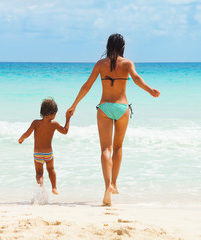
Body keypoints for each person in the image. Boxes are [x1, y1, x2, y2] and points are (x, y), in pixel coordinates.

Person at [67, 33, 160, 206]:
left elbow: (87, 85)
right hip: (122, 107)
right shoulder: (127, 63)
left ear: (108, 46)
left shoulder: (100, 64)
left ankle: (107, 185)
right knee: (118, 147)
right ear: (123, 46)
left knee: (105, 149)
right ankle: (115, 184)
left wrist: (74, 105)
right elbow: (137, 79)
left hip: (104, 108)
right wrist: (149, 90)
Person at [18, 97, 72, 195]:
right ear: (53, 114)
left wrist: (21, 138)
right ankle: (54, 188)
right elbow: (65, 131)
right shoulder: (54, 124)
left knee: (39, 173)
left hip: (37, 153)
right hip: (48, 153)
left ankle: (41, 187)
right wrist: (68, 119)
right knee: (51, 170)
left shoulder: (36, 123)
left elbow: (27, 133)